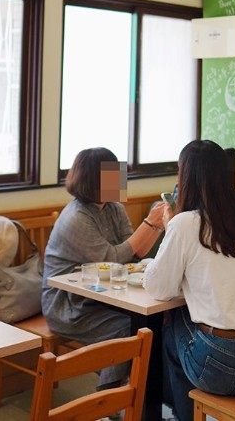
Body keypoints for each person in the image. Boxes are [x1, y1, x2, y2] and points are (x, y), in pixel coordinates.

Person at [144, 140, 235, 421]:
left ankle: (175, 415)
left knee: (171, 321)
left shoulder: (185, 224)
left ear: (186, 178)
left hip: (223, 369)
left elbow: (160, 289)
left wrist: (170, 231)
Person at [41, 147, 166, 392]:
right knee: (127, 329)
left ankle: (134, 398)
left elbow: (137, 251)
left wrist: (159, 225)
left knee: (152, 323)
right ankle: (107, 399)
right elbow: (111, 259)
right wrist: (150, 222)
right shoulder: (76, 217)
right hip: (68, 304)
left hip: (101, 295)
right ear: (93, 180)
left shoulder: (113, 208)